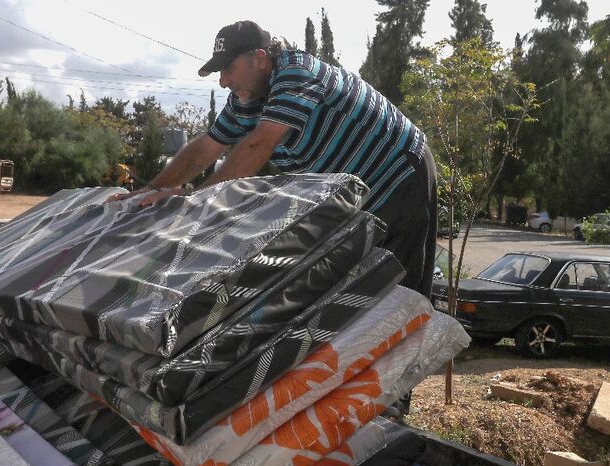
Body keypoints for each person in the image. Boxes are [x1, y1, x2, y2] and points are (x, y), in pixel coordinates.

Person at [107, 20, 437, 297]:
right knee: (347, 293)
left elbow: (257, 145)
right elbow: (206, 147)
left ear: (260, 59)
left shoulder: (297, 73)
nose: (222, 82)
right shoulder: (246, 100)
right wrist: (150, 191)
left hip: (399, 172)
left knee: (394, 293)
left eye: (228, 69)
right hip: (357, 193)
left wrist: (193, 202)